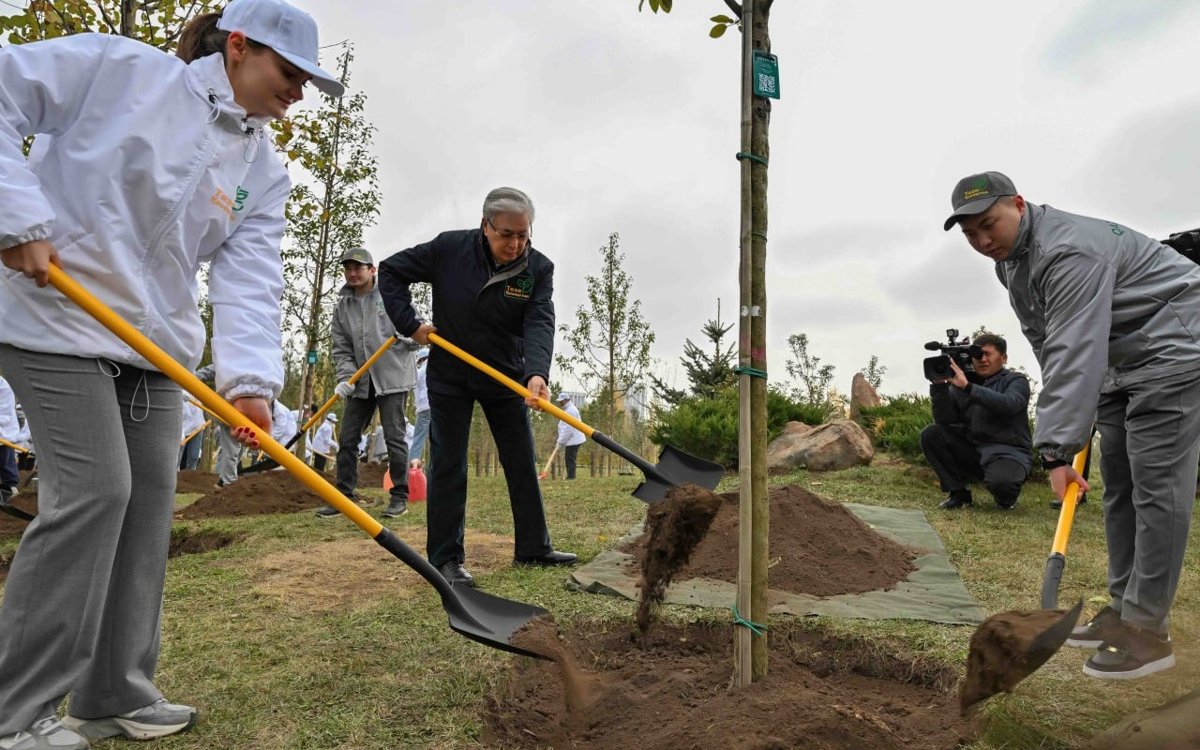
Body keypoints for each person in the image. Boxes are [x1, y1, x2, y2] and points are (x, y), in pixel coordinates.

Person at [0, 0, 343, 745]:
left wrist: (250, 381)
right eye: (290, 73)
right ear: (240, 47)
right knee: (97, 491)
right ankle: (13, 711)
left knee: (150, 501)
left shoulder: (262, 168)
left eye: (308, 82)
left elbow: (251, 278)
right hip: (53, 313)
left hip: (152, 344)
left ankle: (113, 691)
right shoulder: (119, 70)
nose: (298, 92)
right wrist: (14, 216)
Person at [944, 170, 1200, 680]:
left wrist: (1057, 451)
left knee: (1156, 488)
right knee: (1119, 488)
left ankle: (1149, 632)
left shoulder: (1068, 252)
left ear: (1019, 204)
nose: (982, 241)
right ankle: (1125, 609)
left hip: (1173, 347)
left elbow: (1073, 345)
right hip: (1116, 362)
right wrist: (1075, 421)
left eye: (989, 225)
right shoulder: (1012, 263)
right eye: (970, 234)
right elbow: (1047, 342)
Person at [378, 187, 577, 588]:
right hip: (451, 373)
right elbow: (391, 270)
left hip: (506, 373)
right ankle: (446, 560)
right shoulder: (449, 249)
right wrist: (411, 324)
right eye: (506, 234)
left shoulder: (538, 269)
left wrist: (537, 374)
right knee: (449, 463)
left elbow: (540, 321)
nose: (516, 243)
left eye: (523, 234)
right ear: (485, 226)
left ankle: (533, 547)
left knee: (521, 459)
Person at [317, 247, 418, 520]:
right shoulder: (342, 307)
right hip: (360, 382)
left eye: (358, 268)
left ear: (372, 270)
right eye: (348, 269)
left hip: (392, 377)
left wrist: (406, 334)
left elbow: (417, 332)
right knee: (348, 438)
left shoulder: (391, 294)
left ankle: (399, 497)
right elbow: (341, 347)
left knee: (395, 437)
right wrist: (344, 378)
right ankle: (344, 497)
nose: (352, 273)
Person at [918, 333, 1032, 510]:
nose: (983, 360)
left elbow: (1009, 405)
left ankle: (1005, 497)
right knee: (932, 434)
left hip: (1008, 453)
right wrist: (940, 387)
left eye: (988, 354)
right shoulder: (962, 384)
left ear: (1004, 358)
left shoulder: (1016, 380)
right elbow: (944, 421)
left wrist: (969, 388)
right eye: (978, 355)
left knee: (1002, 486)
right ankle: (958, 493)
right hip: (974, 451)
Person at [554, 393, 586, 480]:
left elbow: (567, 429)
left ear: (565, 400)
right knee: (569, 458)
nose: (560, 403)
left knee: (570, 459)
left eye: (561, 401)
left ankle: (571, 478)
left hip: (574, 439)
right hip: (572, 439)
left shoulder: (570, 411)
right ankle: (571, 477)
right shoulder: (568, 409)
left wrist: (560, 442)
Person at [409, 348, 431, 464]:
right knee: (437, 440)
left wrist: (417, 409)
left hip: (423, 408)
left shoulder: (418, 372)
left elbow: (416, 392)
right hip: (437, 407)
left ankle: (411, 470)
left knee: (418, 439)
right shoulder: (435, 368)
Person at [0, 375, 20, 503]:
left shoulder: (3, 385)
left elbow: (4, 415)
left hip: (3, 437)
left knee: (9, 475)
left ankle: (11, 502)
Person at [178, 396, 206, 472]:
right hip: (180, 425)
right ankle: (175, 476)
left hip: (196, 425)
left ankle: (191, 475)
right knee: (177, 457)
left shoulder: (194, 387)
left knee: (194, 456)